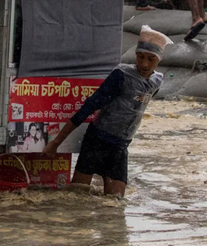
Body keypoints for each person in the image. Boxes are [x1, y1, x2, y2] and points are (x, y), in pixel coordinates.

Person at [43, 25, 173, 197]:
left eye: (151, 59)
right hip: (98, 140)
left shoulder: (157, 81)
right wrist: (56, 142)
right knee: (76, 196)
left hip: (120, 145)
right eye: (140, 57)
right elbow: (88, 108)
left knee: (116, 202)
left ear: (159, 60)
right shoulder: (121, 76)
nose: (144, 64)